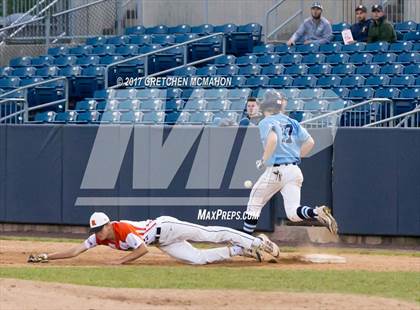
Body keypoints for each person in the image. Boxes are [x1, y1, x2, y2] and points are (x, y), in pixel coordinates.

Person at [242, 90, 338, 235]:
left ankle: (244, 242)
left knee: (253, 205)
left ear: (265, 105)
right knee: (293, 213)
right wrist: (293, 157)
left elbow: (273, 139)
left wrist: (264, 159)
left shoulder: (265, 122)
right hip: (294, 171)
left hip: (276, 171)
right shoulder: (292, 121)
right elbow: (310, 142)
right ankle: (316, 212)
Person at [28, 212, 280, 265]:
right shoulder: (100, 238)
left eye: (101, 229)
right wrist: (46, 257)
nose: (98, 233)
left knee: (210, 234)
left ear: (108, 224)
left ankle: (257, 242)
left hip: (166, 227)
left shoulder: (121, 229)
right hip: (162, 241)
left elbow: (142, 251)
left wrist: (120, 263)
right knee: (197, 260)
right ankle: (239, 251)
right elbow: (75, 251)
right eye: (95, 231)